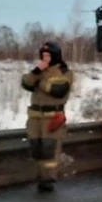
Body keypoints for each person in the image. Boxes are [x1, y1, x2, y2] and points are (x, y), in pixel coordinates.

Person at [21, 41, 74, 192]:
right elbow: (26, 83)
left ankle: (48, 179)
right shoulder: (38, 71)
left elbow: (58, 89)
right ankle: (40, 176)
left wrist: (40, 82)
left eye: (48, 56)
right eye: (43, 55)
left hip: (52, 118)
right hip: (35, 118)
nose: (45, 59)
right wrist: (37, 71)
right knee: (36, 148)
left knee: (49, 149)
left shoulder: (64, 71)